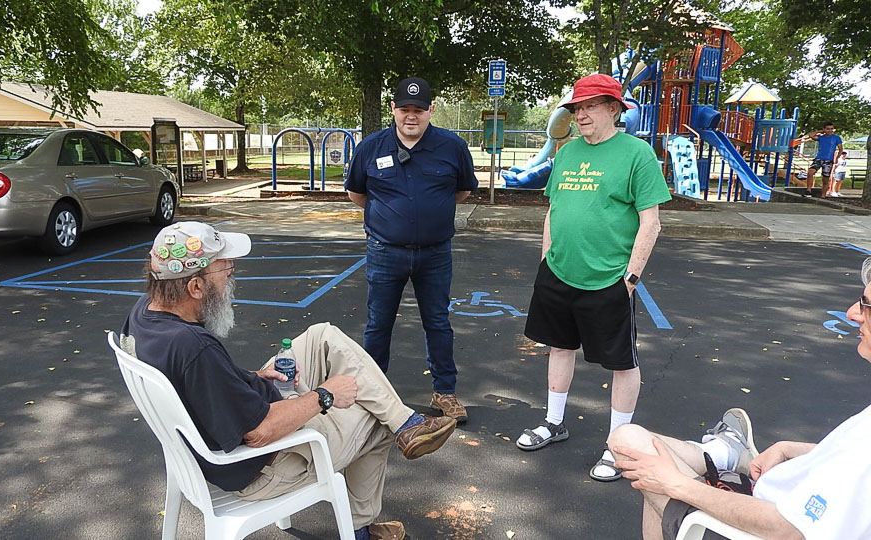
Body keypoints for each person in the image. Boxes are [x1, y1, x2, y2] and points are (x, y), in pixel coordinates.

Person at [122, 221, 458, 540]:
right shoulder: (195, 349)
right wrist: (325, 395)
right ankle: (360, 528)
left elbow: (198, 381)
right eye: (225, 269)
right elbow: (259, 433)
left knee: (322, 335)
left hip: (218, 434)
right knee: (375, 418)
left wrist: (251, 376)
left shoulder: (145, 313)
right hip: (261, 467)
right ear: (195, 287)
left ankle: (407, 423)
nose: (231, 276)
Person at [610, 257, 871, 539]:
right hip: (767, 498)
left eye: (866, 305)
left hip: (751, 526)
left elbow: (786, 529)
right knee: (649, 463)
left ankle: (724, 455)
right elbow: (850, 464)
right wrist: (789, 448)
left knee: (630, 445)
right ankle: (726, 455)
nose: (852, 313)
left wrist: (677, 484)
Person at [515, 73, 671, 483]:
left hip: (609, 279)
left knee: (622, 363)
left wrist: (630, 278)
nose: (580, 115)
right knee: (560, 346)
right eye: (576, 108)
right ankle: (554, 422)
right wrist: (546, 259)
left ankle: (619, 445)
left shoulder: (637, 154)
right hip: (558, 273)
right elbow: (554, 210)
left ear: (614, 109)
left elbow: (651, 222)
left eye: (589, 107)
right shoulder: (567, 153)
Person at [344, 77, 478, 423]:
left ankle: (445, 391)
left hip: (435, 254)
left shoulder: (452, 146)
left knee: (438, 323)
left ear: (431, 110)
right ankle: (372, 393)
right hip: (385, 252)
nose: (411, 116)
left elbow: (462, 191)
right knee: (378, 324)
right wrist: (390, 219)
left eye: (418, 109)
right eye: (404, 109)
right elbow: (357, 193)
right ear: (393, 109)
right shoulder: (371, 147)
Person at [804, 122, 843, 198]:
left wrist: (837, 158)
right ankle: (808, 190)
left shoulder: (836, 138)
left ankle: (823, 195)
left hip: (828, 161)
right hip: (819, 159)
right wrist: (819, 131)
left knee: (825, 179)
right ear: (824, 129)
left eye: (831, 129)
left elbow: (840, 149)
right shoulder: (821, 137)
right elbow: (811, 136)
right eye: (828, 129)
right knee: (810, 172)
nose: (830, 130)